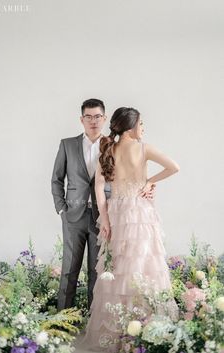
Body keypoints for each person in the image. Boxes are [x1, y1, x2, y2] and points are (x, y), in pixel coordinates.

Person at [80, 107, 180, 352]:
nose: (143, 128)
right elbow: (174, 166)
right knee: (144, 265)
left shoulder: (108, 149)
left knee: (117, 269)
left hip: (116, 212)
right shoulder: (143, 147)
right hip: (140, 212)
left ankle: (117, 333)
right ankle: (143, 331)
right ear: (132, 126)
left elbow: (99, 187)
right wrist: (149, 181)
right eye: (141, 123)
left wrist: (104, 218)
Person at [51, 99, 156, 312]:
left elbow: (132, 172)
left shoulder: (113, 145)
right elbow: (57, 179)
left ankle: (93, 318)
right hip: (74, 215)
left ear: (105, 118)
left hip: (105, 215)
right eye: (88, 116)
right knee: (69, 269)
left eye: (97, 116)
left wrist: (149, 183)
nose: (93, 121)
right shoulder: (67, 144)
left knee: (98, 271)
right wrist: (62, 207)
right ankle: (61, 319)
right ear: (82, 119)